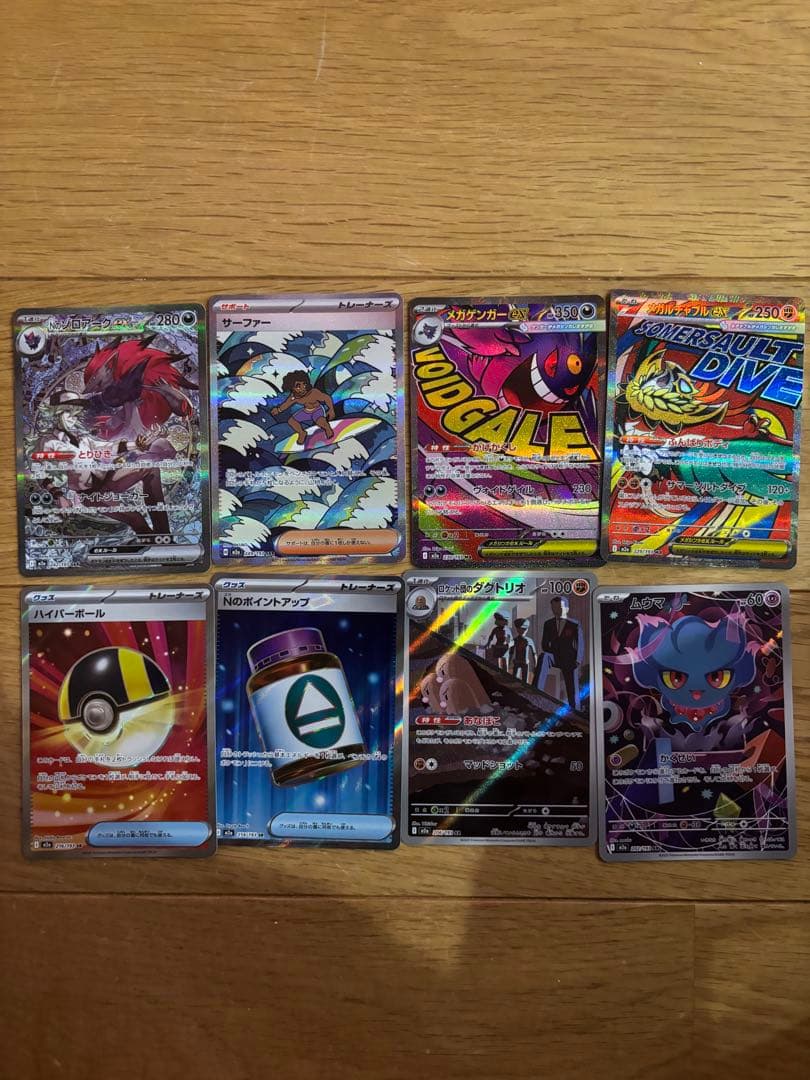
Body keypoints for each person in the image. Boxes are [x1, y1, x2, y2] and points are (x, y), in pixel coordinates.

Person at [271, 372, 335, 445]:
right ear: (292, 388)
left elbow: (326, 398)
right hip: (306, 412)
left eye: (304, 384)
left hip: (317, 410)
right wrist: (278, 410)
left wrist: (331, 410)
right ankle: (302, 433)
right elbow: (287, 404)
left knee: (320, 421)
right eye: (298, 386)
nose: (303, 388)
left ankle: (327, 429)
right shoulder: (294, 397)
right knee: (291, 421)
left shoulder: (313, 393)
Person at [539, 597, 581, 707]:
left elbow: (580, 644)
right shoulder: (548, 624)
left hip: (569, 659)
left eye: (559, 607)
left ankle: (575, 708)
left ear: (567, 608)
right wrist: (554, 652)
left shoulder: (574, 624)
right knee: (544, 656)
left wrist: (577, 660)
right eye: (554, 607)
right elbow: (544, 644)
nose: (556, 610)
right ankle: (536, 691)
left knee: (572, 687)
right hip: (554, 656)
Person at [509, 618, 537, 683]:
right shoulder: (515, 640)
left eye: (524, 629)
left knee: (525, 681)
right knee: (515, 680)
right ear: (517, 629)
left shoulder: (529, 640)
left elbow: (534, 653)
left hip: (525, 663)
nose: (522, 630)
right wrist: (509, 662)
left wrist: (536, 665)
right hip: (517, 662)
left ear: (527, 629)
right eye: (520, 628)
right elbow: (511, 652)